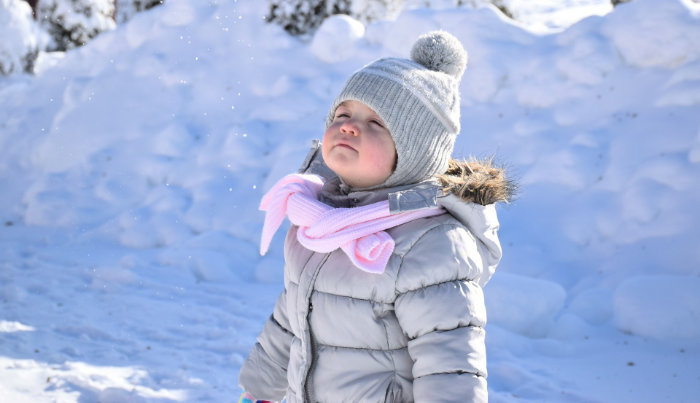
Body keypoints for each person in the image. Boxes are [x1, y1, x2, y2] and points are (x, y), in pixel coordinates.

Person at [238, 30, 512, 403]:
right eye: (343, 113)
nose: (349, 126)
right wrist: (260, 391)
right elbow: (291, 320)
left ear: (413, 154)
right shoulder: (320, 219)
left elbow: (450, 363)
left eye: (377, 123)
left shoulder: (432, 241)